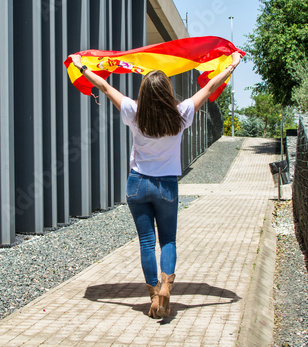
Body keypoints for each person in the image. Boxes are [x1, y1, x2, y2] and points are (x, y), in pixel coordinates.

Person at [68, 51, 242, 318]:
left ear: (145, 92)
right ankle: (166, 287)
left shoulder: (134, 111)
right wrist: (231, 67)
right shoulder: (181, 113)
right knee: (168, 240)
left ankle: (153, 296)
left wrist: (81, 68)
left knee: (146, 242)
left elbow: (103, 86)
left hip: (137, 184)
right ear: (167, 91)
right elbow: (208, 87)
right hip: (167, 187)